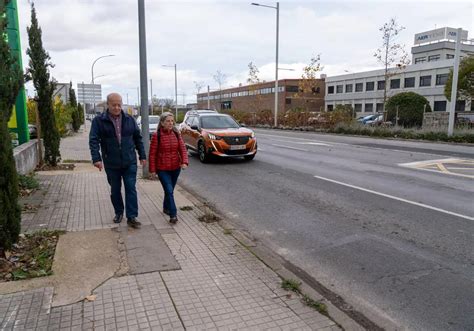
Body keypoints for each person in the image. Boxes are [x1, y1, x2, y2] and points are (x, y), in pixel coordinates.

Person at [89, 93, 146, 228]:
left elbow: (138, 138)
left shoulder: (129, 119)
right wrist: (96, 159)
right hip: (111, 163)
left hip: (129, 161)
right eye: (113, 105)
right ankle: (119, 212)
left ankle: (132, 216)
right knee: (115, 190)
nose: (116, 107)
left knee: (130, 188)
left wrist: (142, 155)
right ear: (107, 105)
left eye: (119, 104)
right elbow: (93, 140)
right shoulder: (99, 121)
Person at [148, 112, 188, 224]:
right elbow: (152, 154)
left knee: (168, 191)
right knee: (169, 191)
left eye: (172, 121)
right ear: (162, 123)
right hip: (162, 169)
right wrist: (152, 170)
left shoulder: (176, 133)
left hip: (175, 168)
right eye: (168, 121)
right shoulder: (157, 136)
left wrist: (184, 162)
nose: (170, 123)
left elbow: (182, 149)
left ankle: (166, 207)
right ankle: (173, 214)